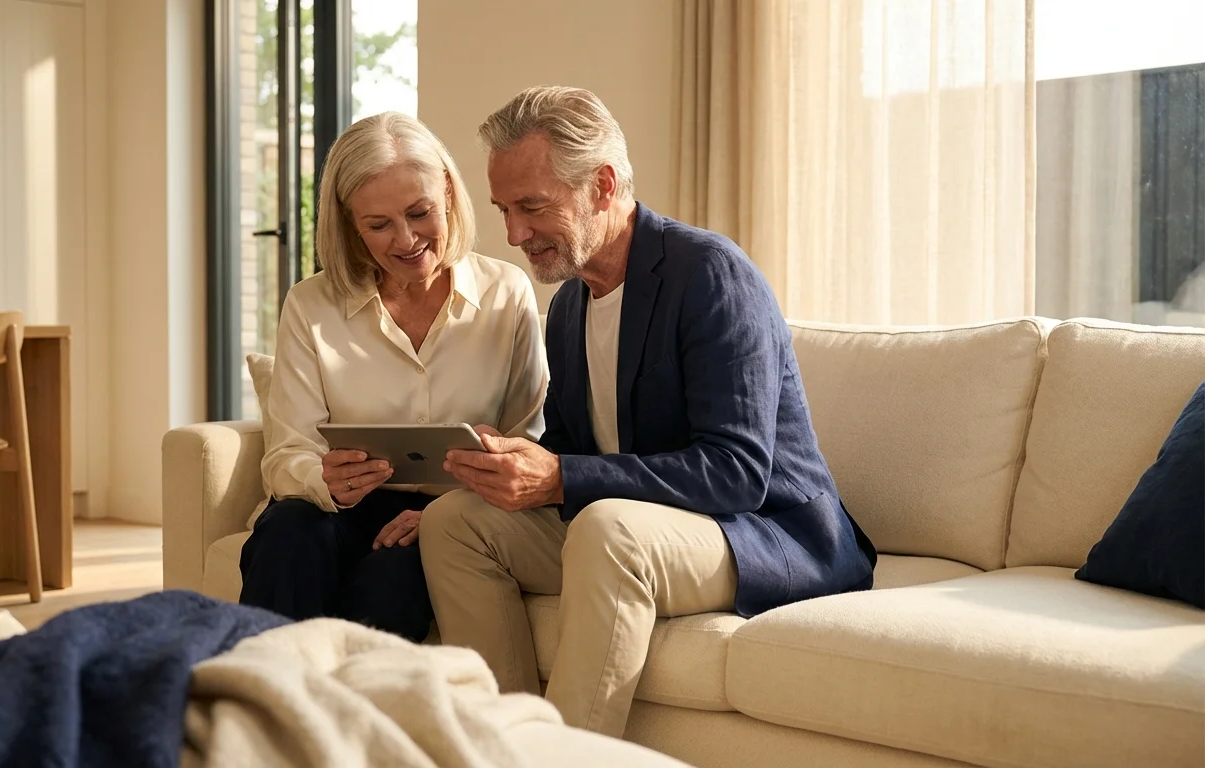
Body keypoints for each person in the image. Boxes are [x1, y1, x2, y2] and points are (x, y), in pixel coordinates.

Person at [418, 86, 877, 737]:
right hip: (649, 530)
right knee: (456, 523)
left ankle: (569, 760)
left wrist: (560, 477)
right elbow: (574, 453)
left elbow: (737, 472)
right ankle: (502, 745)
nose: (514, 234)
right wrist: (510, 467)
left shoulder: (710, 274)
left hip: (761, 531)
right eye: (504, 210)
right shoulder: (571, 305)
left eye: (532, 207)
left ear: (602, 186)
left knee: (609, 530)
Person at [238, 112, 548, 643]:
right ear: (349, 225)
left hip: (447, 513)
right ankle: (266, 705)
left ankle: (351, 719)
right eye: (378, 225)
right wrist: (324, 482)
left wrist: (456, 507)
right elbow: (287, 454)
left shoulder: (506, 291)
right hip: (334, 506)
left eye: (419, 212)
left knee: (393, 580)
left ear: (448, 192)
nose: (406, 240)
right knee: (288, 536)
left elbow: (530, 438)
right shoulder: (311, 304)